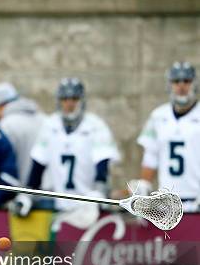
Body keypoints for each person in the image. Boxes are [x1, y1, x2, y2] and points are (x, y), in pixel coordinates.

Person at [13, 77, 120, 216]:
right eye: (65, 99)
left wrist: (99, 193)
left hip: (89, 205)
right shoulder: (50, 125)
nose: (69, 104)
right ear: (59, 101)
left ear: (82, 101)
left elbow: (102, 168)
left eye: (74, 99)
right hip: (60, 206)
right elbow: (37, 168)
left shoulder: (95, 126)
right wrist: (27, 195)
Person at [135, 61, 200, 212]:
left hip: (196, 202)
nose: (181, 86)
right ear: (169, 85)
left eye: (187, 81)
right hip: (166, 205)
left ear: (194, 84)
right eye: (176, 81)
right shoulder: (158, 116)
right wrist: (144, 184)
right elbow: (150, 157)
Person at [0, 84, 46, 185]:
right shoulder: (44, 118)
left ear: (0, 106)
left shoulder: (6, 124)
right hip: (50, 191)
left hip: (22, 190)